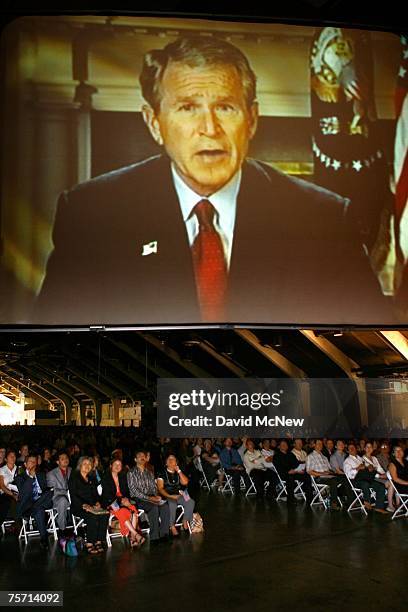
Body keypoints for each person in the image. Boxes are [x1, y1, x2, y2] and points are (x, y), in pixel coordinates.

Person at [34, 35, 393, 326]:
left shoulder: (324, 218)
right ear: (154, 123)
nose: (210, 129)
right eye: (188, 108)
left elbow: (362, 338)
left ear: (251, 120)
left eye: (225, 107)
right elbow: (56, 341)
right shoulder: (91, 214)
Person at [127, 450, 170, 544]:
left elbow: (153, 487)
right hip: (138, 499)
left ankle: (164, 534)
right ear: (135, 459)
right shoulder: (131, 472)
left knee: (165, 506)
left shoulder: (149, 472)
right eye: (139, 456)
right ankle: (154, 537)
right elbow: (133, 491)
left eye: (143, 455)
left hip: (151, 497)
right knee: (153, 507)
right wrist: (150, 498)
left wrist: (156, 496)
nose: (142, 457)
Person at [68, 456, 109, 555]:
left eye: (89, 464)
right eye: (85, 464)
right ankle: (90, 543)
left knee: (105, 514)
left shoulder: (92, 478)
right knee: (92, 516)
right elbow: (74, 496)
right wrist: (85, 505)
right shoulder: (74, 478)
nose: (87, 466)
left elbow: (95, 495)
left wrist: (98, 503)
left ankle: (99, 541)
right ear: (80, 465)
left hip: (92, 506)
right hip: (79, 507)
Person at [101, 458, 144, 548]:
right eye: (115, 464)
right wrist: (121, 501)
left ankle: (132, 538)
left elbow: (126, 492)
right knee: (122, 511)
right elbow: (108, 495)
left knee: (133, 508)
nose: (117, 466)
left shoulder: (123, 477)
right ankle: (135, 534)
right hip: (110, 502)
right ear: (110, 466)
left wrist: (126, 500)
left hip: (121, 501)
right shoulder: (105, 477)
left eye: (119, 465)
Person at [14, 454, 54, 549]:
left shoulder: (41, 474)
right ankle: (44, 538)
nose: (33, 464)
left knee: (49, 493)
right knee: (39, 510)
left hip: (42, 500)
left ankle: (31, 510)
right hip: (29, 503)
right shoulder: (20, 478)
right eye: (31, 462)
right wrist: (31, 477)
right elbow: (23, 494)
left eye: (35, 462)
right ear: (25, 464)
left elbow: (45, 490)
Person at [157, 454, 195, 536]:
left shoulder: (179, 472)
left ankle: (184, 521)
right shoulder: (161, 473)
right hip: (167, 495)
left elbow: (185, 482)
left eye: (173, 459)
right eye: (169, 459)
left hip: (182, 493)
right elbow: (160, 489)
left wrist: (179, 471)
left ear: (176, 462)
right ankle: (172, 526)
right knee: (172, 503)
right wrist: (170, 496)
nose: (171, 460)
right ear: (166, 463)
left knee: (191, 501)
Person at [343, 443, 387, 513]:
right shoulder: (347, 461)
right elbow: (348, 474)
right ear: (348, 451)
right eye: (350, 448)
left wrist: (369, 467)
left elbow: (367, 467)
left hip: (366, 478)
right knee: (365, 483)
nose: (352, 449)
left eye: (353, 447)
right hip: (355, 481)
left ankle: (379, 507)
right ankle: (366, 501)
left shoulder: (360, 458)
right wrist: (357, 468)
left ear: (356, 449)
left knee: (380, 486)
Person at [306, 439, 342, 510]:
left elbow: (329, 469)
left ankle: (350, 501)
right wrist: (322, 473)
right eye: (318, 444)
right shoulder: (310, 456)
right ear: (314, 445)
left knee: (344, 479)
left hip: (328, 477)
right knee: (334, 481)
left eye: (321, 444)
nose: (320, 445)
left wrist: (332, 472)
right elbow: (309, 471)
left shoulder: (324, 457)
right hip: (318, 478)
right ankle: (333, 503)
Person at [273, 440, 312, 504]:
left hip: (294, 472)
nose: (284, 446)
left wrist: (300, 469)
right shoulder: (276, 456)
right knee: (290, 477)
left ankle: (309, 496)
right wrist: (288, 472)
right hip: (285, 474)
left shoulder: (290, 454)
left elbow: (296, 463)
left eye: (285, 444)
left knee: (307, 476)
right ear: (279, 446)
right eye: (282, 444)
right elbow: (279, 469)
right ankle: (291, 498)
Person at [46, 451, 72, 535]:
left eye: (66, 458)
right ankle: (62, 529)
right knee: (62, 501)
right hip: (57, 497)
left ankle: (81, 526)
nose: (65, 460)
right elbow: (52, 490)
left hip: (71, 496)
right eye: (62, 459)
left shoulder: (72, 470)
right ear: (58, 462)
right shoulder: (51, 474)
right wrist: (66, 492)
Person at [0, 451, 18, 527]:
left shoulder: (19, 469)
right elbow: (2, 486)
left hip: (18, 492)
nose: (13, 458)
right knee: (7, 501)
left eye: (14, 456)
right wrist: (12, 494)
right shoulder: (2, 470)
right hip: (5, 493)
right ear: (6, 459)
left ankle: (17, 524)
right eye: (10, 456)